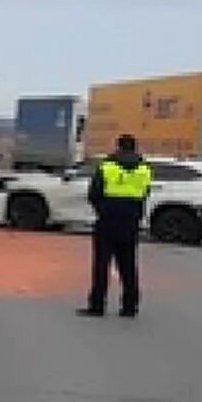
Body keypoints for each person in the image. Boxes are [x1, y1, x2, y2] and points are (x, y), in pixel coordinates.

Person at [82, 133, 151, 318]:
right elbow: (145, 193)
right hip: (130, 221)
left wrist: (103, 210)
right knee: (128, 265)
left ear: (118, 146)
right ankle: (129, 307)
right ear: (134, 147)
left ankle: (97, 305)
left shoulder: (107, 166)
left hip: (107, 220)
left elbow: (94, 194)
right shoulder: (144, 169)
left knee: (102, 264)